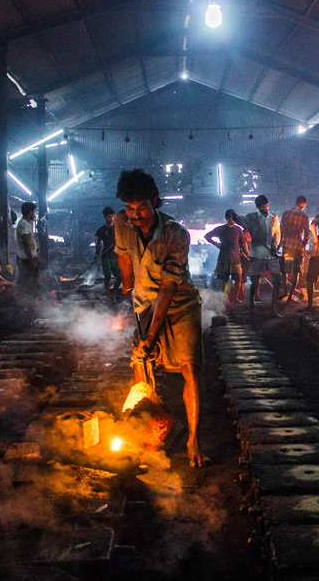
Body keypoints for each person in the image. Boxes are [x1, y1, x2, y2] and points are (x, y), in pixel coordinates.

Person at [114, 169, 208, 467]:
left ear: (155, 201)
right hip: (144, 304)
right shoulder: (121, 222)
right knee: (142, 368)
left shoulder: (175, 234)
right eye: (129, 208)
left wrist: (152, 335)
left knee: (190, 368)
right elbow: (123, 256)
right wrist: (128, 287)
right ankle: (149, 435)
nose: (135, 215)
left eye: (141, 208)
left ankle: (193, 440)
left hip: (179, 305)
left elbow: (168, 288)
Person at [242, 195, 282, 316]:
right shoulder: (252, 218)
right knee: (255, 281)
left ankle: (273, 309)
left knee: (277, 279)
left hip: (270, 253)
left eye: (266, 206)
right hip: (257, 253)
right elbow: (242, 223)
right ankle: (251, 305)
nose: (265, 208)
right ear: (258, 207)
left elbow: (277, 234)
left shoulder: (274, 218)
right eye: (262, 207)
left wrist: (275, 246)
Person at [204, 209, 247, 303]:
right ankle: (226, 298)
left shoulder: (238, 229)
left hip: (236, 258)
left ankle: (235, 298)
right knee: (225, 280)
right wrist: (216, 244)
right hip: (224, 258)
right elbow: (207, 236)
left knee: (238, 279)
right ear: (227, 218)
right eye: (232, 218)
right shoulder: (221, 229)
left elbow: (243, 243)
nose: (233, 220)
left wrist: (247, 253)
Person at [280, 196, 310, 304]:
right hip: (297, 247)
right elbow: (307, 232)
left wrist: (280, 243)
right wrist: (304, 243)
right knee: (296, 271)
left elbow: (281, 229)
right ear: (303, 204)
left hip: (286, 246)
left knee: (285, 270)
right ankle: (291, 296)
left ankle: (284, 291)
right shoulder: (304, 216)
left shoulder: (286, 214)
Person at [94, 207, 121, 302]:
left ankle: (114, 292)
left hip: (116, 256)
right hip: (105, 256)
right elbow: (98, 244)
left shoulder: (117, 229)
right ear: (105, 218)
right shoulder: (101, 230)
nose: (111, 219)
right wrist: (97, 255)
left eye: (113, 217)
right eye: (109, 217)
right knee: (108, 276)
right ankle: (109, 295)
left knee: (120, 276)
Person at [15, 202, 40, 301]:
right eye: (33, 212)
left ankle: (28, 302)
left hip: (27, 258)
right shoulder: (24, 224)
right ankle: (27, 303)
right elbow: (26, 244)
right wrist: (32, 260)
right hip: (26, 259)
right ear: (30, 212)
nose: (34, 214)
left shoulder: (24, 223)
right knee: (29, 282)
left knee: (28, 281)